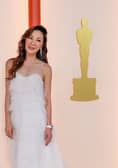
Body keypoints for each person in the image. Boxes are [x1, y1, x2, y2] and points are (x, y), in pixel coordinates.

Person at [4, 25, 65, 168]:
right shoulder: (10, 64)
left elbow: (48, 99)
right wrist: (7, 121)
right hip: (18, 120)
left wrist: (49, 126)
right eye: (31, 38)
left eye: (38, 40)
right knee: (21, 158)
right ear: (24, 39)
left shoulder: (45, 68)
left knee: (40, 158)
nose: (33, 42)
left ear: (42, 45)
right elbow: (7, 95)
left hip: (37, 120)